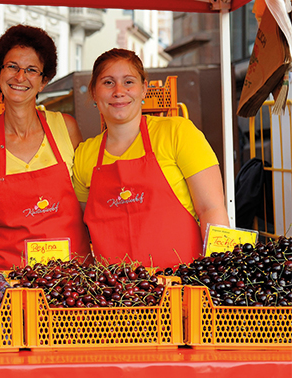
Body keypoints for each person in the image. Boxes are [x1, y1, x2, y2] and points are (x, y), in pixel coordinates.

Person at [73, 48, 229, 268]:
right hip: (114, 294)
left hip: (181, 288)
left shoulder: (178, 133)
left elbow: (211, 209)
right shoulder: (84, 155)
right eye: (108, 82)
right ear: (93, 92)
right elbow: (83, 227)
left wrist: (219, 272)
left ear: (144, 88)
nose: (119, 91)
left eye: (128, 82)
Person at [0, 25, 91, 270]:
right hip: (8, 279)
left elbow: (85, 199)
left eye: (31, 70)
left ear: (43, 82)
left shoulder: (65, 128)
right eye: (12, 67)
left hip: (72, 282)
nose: (20, 77)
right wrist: (0, 234)